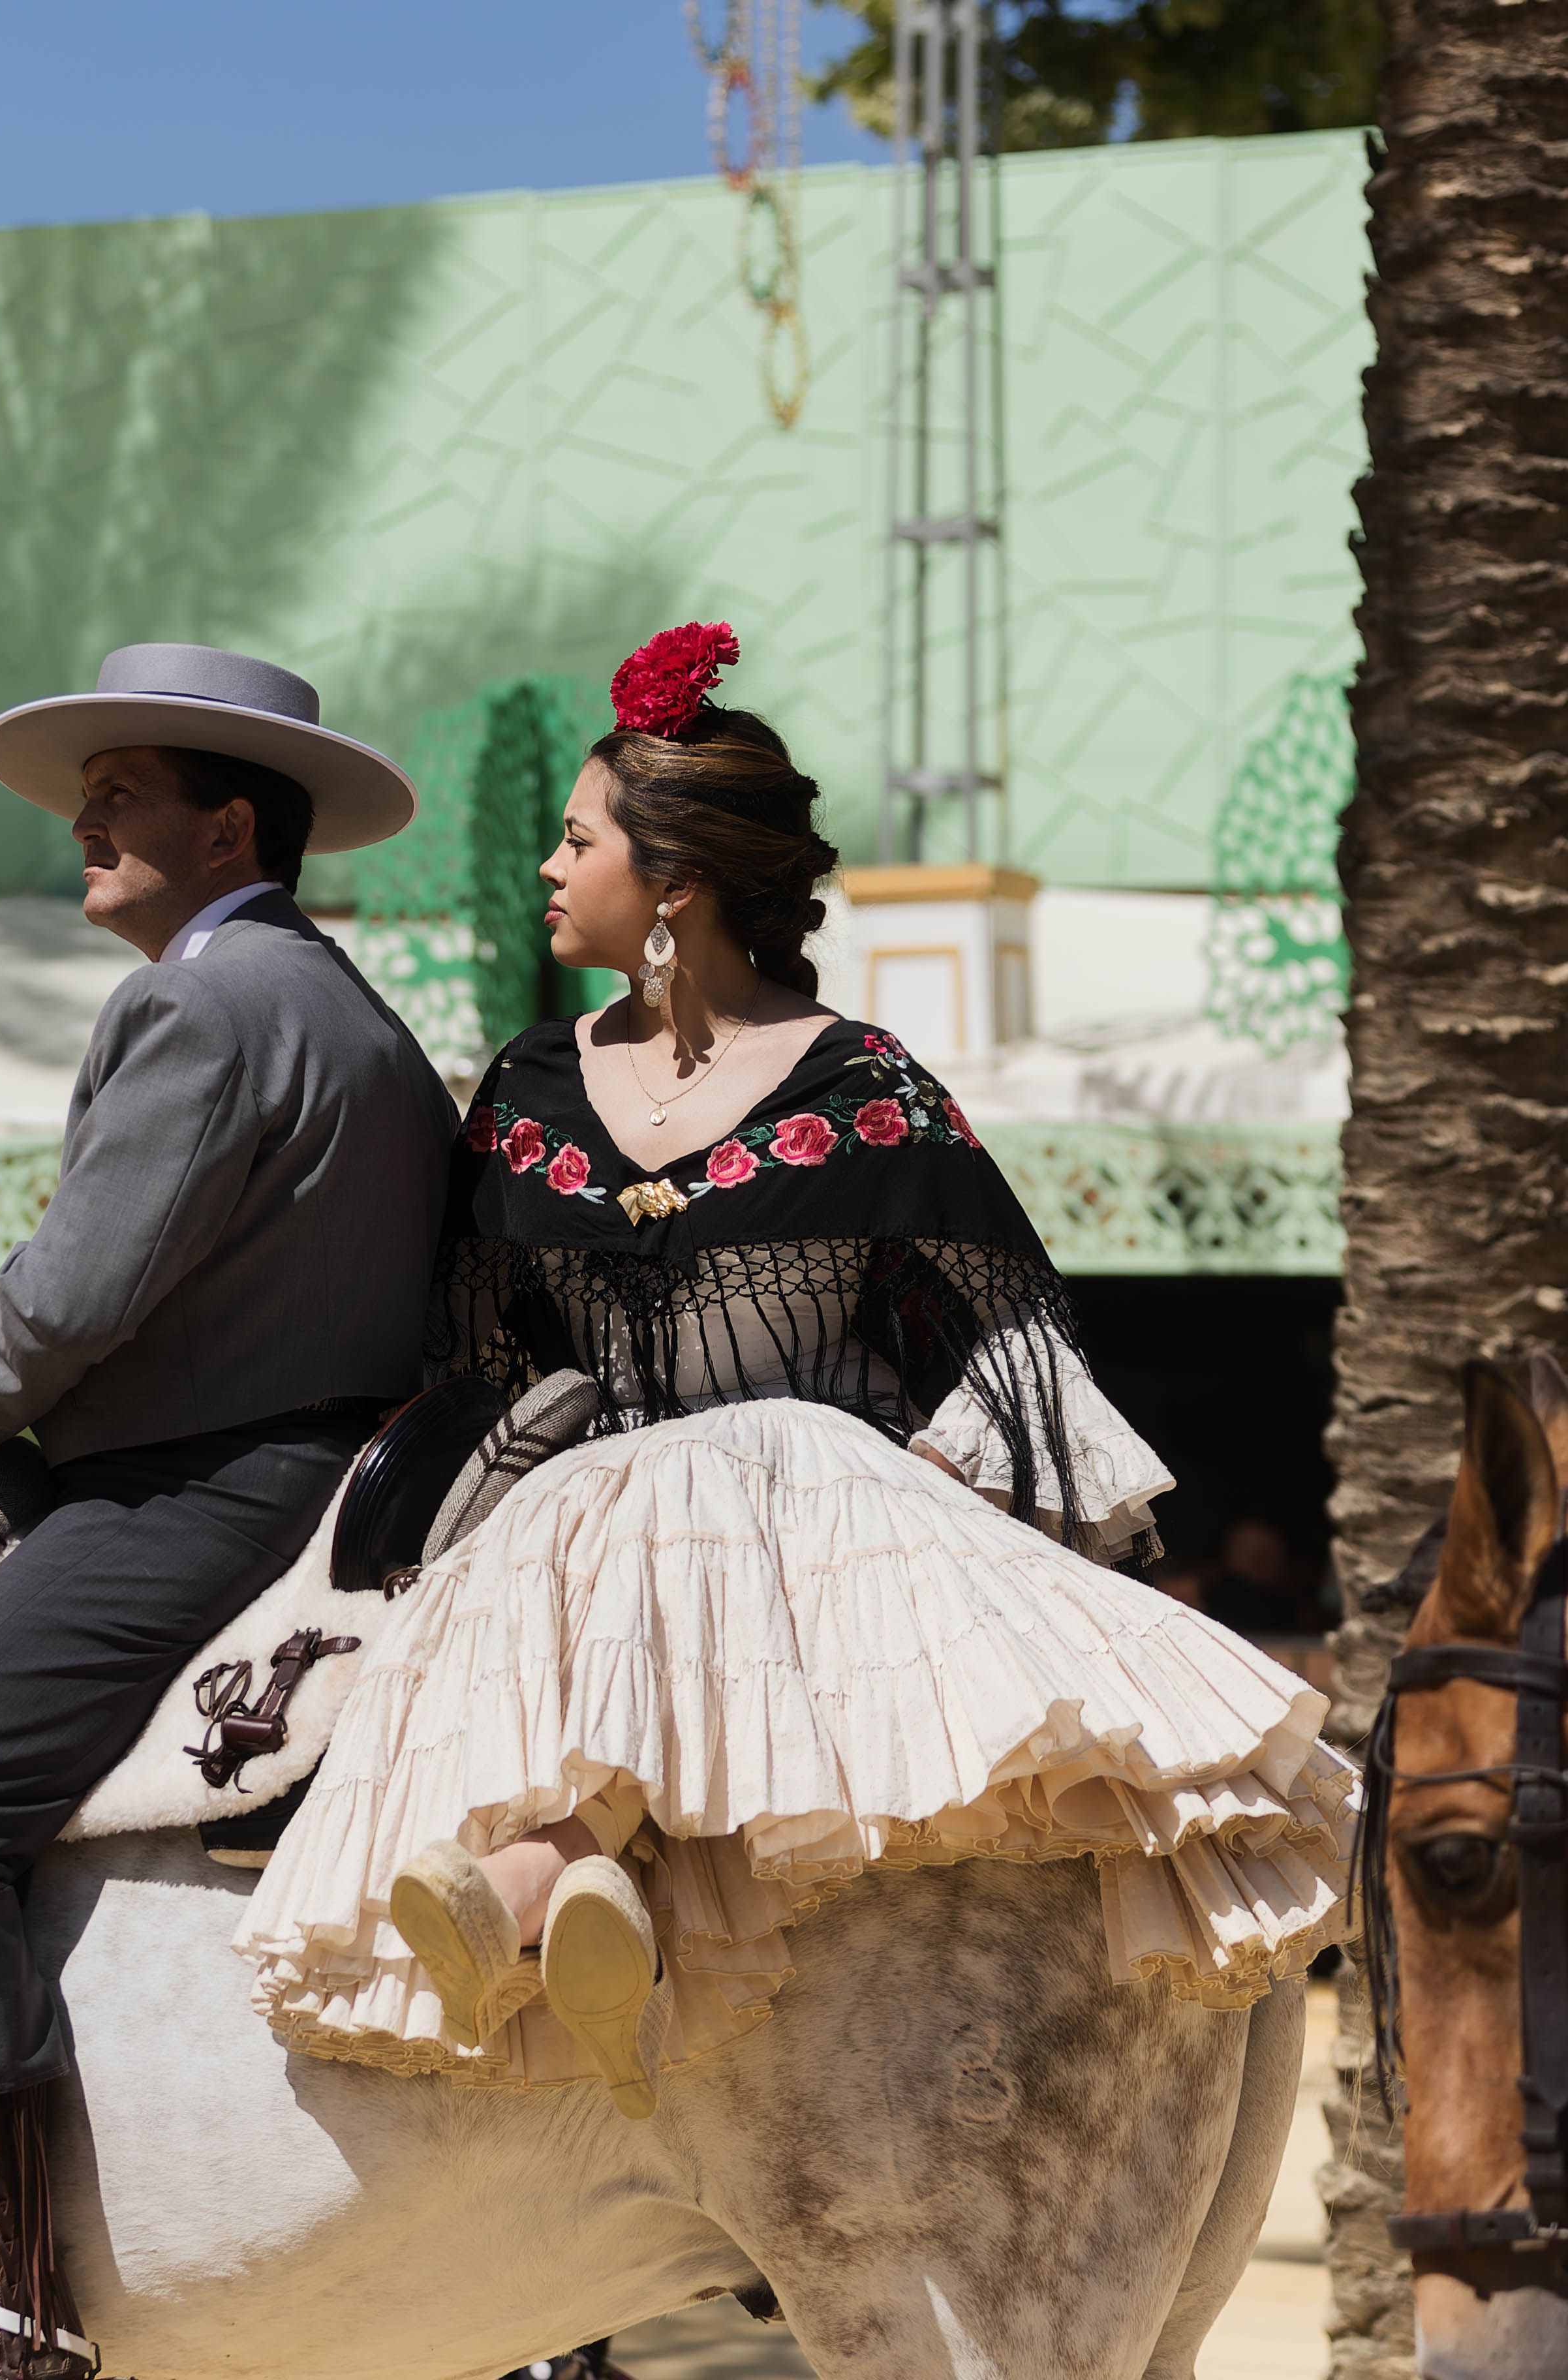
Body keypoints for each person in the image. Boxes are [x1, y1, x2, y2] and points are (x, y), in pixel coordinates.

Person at [234, 622, 1357, 2115]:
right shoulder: (522, 1091)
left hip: (810, 1534)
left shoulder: (865, 1090)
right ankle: (578, 1882)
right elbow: (476, 1363)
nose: (550, 869)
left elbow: (1003, 1356)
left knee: (732, 1463)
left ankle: (549, 1872)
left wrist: (927, 1522)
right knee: (607, 1502)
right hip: (588, 1543)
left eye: (578, 842)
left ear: (673, 884)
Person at [0, 643, 456, 2380]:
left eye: (124, 794)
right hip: (286, 1461)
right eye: (87, 795)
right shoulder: (341, 1006)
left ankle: (9, 2299)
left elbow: (88, 1282)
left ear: (230, 820)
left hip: (199, 1483)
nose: (85, 820)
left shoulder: (203, 1001)